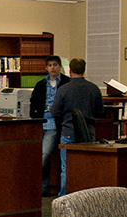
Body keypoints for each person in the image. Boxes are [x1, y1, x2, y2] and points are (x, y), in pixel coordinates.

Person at [49, 58, 105, 197]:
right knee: (86, 167)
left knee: (67, 168)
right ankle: (86, 197)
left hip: (68, 131)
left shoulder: (64, 89)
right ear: (84, 69)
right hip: (88, 133)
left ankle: (64, 198)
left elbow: (54, 112)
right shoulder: (93, 88)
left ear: (69, 70)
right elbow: (100, 112)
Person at [30, 56, 71, 196]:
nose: (52, 68)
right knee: (41, 155)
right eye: (49, 65)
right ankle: (43, 186)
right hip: (41, 121)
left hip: (55, 123)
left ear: (60, 66)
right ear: (46, 68)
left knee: (45, 154)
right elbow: (34, 103)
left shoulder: (66, 83)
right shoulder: (41, 84)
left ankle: (39, 185)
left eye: (55, 65)